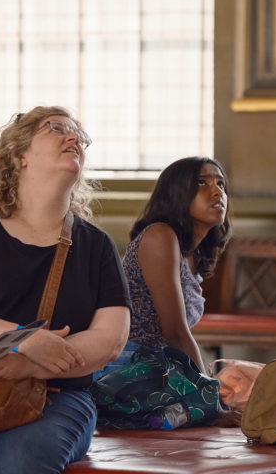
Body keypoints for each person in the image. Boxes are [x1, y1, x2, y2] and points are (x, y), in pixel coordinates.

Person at [0, 107, 130, 473]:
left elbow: (110, 339)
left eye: (80, 136)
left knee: (17, 461)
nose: (74, 139)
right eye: (57, 129)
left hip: (58, 396)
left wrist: (29, 365)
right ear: (20, 156)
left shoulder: (95, 245)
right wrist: (23, 339)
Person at [97, 157, 231, 379]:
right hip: (122, 369)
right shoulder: (159, 236)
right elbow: (176, 333)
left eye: (220, 184)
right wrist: (208, 393)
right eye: (201, 183)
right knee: (224, 407)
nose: (217, 192)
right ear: (176, 193)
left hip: (156, 365)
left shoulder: (191, 253)